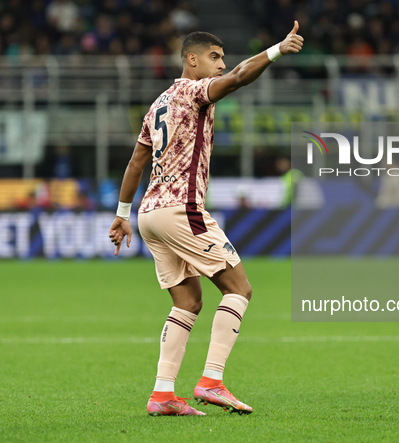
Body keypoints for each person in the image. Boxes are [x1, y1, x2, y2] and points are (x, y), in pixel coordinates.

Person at [108, 23, 303, 417]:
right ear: (191, 60)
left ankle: (163, 394)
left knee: (187, 301)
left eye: (223, 57)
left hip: (149, 214)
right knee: (238, 288)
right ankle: (212, 380)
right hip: (182, 208)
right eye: (215, 57)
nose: (222, 64)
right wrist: (277, 50)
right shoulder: (192, 92)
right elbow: (238, 79)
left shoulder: (157, 104)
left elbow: (135, 162)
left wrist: (121, 215)